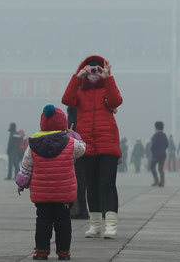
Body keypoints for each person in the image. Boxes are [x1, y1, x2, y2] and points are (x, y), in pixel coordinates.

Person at [61, 54, 123, 240]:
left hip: (107, 145)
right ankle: (95, 225)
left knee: (108, 185)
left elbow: (116, 101)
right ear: (84, 71)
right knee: (92, 187)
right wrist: (76, 78)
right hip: (87, 145)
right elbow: (66, 100)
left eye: (97, 69)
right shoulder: (80, 92)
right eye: (90, 69)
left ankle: (110, 224)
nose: (94, 72)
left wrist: (108, 78)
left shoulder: (107, 88)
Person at [16, 104, 86, 261]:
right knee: (63, 223)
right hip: (64, 195)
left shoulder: (33, 144)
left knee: (42, 222)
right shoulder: (69, 142)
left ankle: (41, 251)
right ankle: (63, 252)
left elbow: (26, 166)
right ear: (62, 124)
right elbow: (82, 150)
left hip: (42, 196)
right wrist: (73, 134)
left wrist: (21, 184)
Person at [150, 121, 168, 187]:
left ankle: (156, 181)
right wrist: (162, 150)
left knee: (152, 167)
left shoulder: (155, 135)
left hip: (156, 154)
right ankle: (162, 182)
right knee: (160, 169)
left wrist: (153, 151)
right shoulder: (164, 135)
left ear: (156, 127)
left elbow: (153, 145)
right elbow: (166, 145)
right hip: (163, 154)